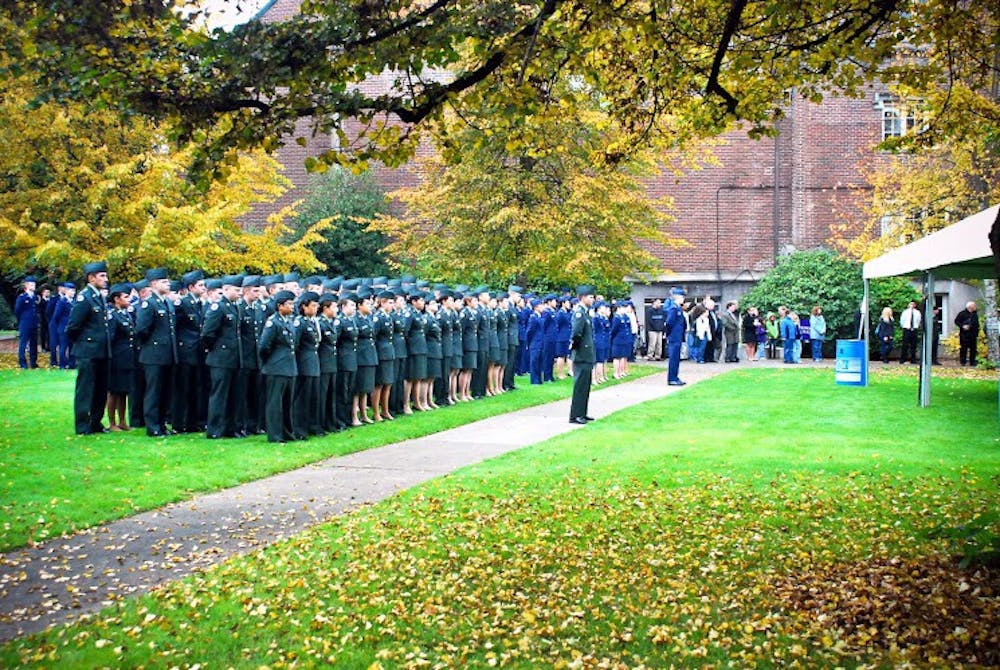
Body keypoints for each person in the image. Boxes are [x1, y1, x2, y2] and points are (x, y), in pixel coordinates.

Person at [65, 261, 111, 434]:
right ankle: (83, 424)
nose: (105, 279)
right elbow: (73, 327)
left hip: (101, 351)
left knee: (100, 388)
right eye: (102, 276)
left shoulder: (99, 297)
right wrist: (85, 343)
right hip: (88, 351)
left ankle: (95, 422)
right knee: (85, 389)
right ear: (91, 278)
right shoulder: (85, 297)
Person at [136, 267, 178, 437]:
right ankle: (152, 425)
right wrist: (152, 346)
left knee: (165, 391)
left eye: (167, 281)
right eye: (163, 281)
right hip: (153, 355)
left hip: (167, 354)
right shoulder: (149, 303)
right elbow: (142, 330)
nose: (167, 284)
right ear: (153, 284)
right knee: (153, 391)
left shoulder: (166, 302)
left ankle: (161, 423)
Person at [258, 290, 299, 443]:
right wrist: (272, 362)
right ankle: (275, 435)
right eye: (289, 304)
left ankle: (288, 432)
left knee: (287, 402)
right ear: (280, 306)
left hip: (289, 367)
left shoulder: (288, 320)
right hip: (276, 367)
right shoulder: (273, 322)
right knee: (275, 403)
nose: (292, 307)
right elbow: (264, 346)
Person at [106, 283, 136, 431]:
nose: (129, 299)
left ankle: (123, 420)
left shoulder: (125, 313)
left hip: (126, 357)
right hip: (117, 358)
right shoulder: (112, 315)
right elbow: (110, 338)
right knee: (114, 391)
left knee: (124, 391)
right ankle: (112, 422)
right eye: (125, 297)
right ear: (117, 299)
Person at [293, 291, 322, 439]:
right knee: (302, 398)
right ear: (304, 307)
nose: (316, 308)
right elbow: (296, 345)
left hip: (313, 363)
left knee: (313, 397)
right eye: (313, 306)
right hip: (304, 364)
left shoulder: (312, 321)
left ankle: (313, 426)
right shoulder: (300, 322)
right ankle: (300, 429)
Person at [568, 285, 596, 425]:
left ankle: (582, 413)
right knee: (580, 386)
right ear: (583, 297)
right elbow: (576, 334)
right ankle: (575, 415)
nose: (593, 299)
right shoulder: (579, 313)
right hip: (581, 354)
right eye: (590, 297)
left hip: (586, 354)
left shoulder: (586, 313)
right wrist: (576, 349)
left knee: (585, 386)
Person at [14, 275, 40, 369]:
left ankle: (33, 362)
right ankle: (22, 363)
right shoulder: (22, 297)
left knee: (34, 343)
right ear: (27, 285)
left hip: (34, 323)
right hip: (25, 323)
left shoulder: (35, 297)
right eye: (32, 284)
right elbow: (17, 311)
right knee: (23, 343)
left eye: (34, 284)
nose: (34, 286)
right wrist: (22, 320)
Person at [664, 287, 687, 385]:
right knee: (673, 358)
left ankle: (675, 377)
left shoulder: (678, 308)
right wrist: (669, 334)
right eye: (682, 297)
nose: (683, 299)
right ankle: (672, 378)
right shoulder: (673, 308)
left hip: (677, 336)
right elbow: (669, 322)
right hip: (674, 336)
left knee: (676, 358)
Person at [954, 301, 980, 366]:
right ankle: (963, 362)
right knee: (963, 349)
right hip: (964, 334)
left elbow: (977, 324)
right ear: (970, 307)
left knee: (973, 349)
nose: (975, 307)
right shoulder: (962, 313)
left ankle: (972, 362)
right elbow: (956, 321)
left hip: (973, 334)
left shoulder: (975, 314)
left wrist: (977, 332)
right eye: (974, 306)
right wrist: (963, 326)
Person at [898, 300, 921, 364]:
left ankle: (913, 359)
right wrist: (905, 327)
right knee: (905, 345)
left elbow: (918, 320)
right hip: (907, 329)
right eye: (911, 304)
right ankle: (902, 359)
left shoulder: (917, 312)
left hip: (914, 330)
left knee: (913, 345)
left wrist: (915, 327)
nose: (912, 305)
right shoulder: (905, 312)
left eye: (913, 304)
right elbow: (902, 320)